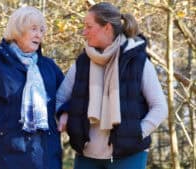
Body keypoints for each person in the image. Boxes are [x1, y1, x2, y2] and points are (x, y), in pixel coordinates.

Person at [56, 2, 168, 169]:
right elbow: (60, 98)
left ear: (107, 28)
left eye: (89, 26)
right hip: (86, 156)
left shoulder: (137, 62)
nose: (84, 32)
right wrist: (64, 113)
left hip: (129, 156)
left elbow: (160, 108)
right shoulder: (82, 63)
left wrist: (136, 134)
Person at [0, 6, 64, 169]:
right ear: (18, 30)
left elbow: (67, 98)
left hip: (46, 155)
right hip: (7, 155)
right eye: (34, 29)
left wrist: (65, 114)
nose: (39, 35)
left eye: (42, 30)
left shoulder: (48, 67)